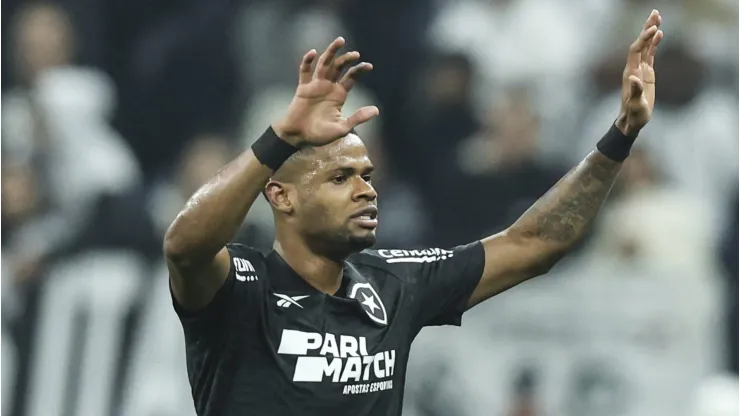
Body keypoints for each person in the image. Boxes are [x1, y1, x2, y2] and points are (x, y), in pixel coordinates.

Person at [163, 10, 663, 416]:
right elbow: (184, 245)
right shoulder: (241, 287)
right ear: (281, 196)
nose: (365, 190)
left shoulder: (393, 283)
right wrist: (280, 139)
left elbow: (534, 244)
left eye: (366, 175)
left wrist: (618, 136)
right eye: (341, 178)